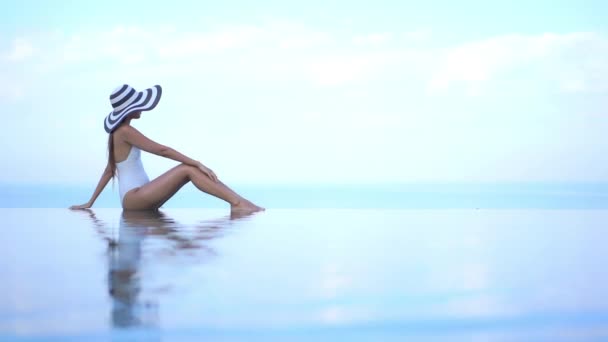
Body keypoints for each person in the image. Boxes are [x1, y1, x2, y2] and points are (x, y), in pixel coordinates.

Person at [70, 84, 264, 212]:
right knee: (188, 168)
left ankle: (238, 202)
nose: (142, 108)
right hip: (135, 199)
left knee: (189, 170)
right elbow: (161, 150)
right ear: (130, 109)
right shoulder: (124, 131)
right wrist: (198, 163)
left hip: (136, 199)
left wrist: (90, 203)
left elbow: (109, 170)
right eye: (138, 104)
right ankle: (238, 203)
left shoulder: (118, 133)